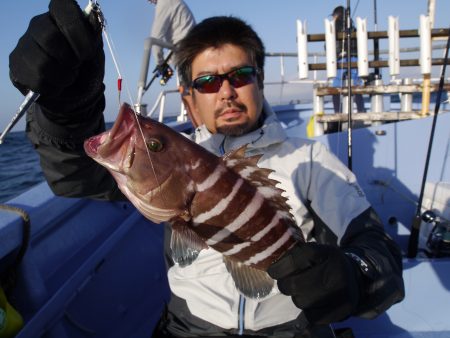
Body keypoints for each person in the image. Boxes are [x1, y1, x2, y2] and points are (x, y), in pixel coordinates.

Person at [8, 1, 404, 337]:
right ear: (188, 96)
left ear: (260, 81)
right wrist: (67, 110)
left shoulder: (311, 158)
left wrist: (354, 273)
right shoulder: (179, 158)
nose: (227, 91)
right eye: (209, 81)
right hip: (187, 328)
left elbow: (378, 252)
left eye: (241, 75)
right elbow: (75, 177)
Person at [331, 6, 365, 117]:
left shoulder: (334, 29)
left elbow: (329, 46)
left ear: (337, 15)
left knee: (336, 86)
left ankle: (337, 112)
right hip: (355, 59)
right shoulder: (353, 28)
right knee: (356, 84)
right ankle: (361, 111)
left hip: (341, 60)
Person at [148, 0, 195, 76]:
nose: (149, 2)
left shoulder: (164, 3)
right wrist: (166, 63)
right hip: (189, 47)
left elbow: (155, 38)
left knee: (188, 81)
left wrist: (160, 63)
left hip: (185, 51)